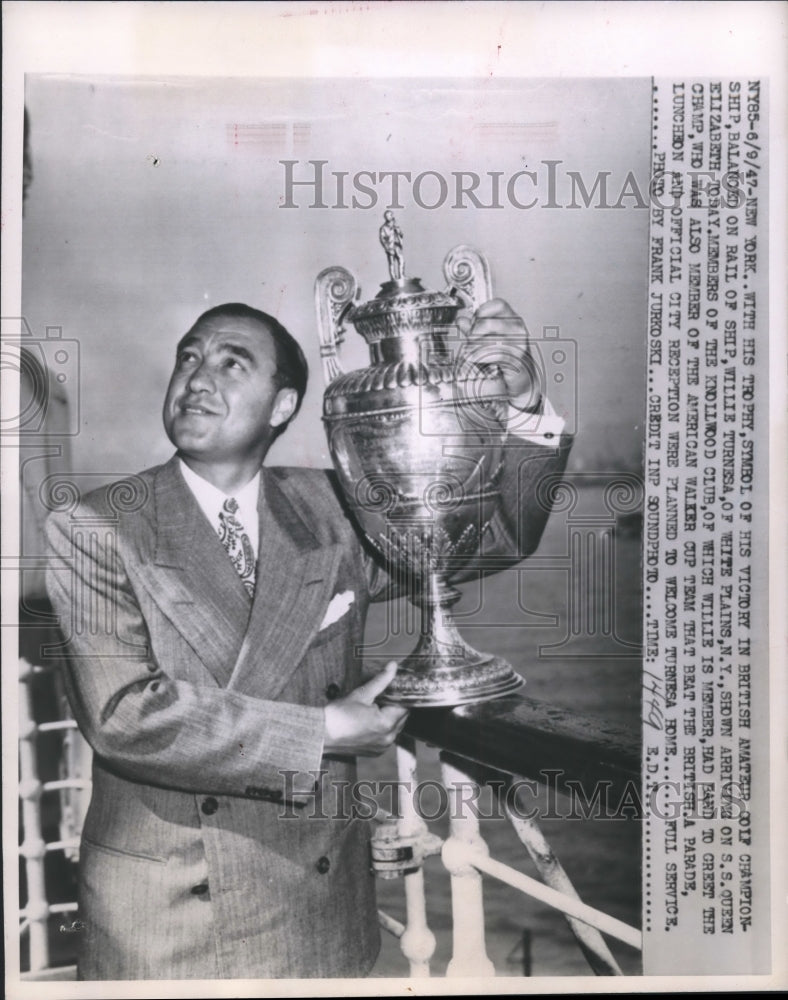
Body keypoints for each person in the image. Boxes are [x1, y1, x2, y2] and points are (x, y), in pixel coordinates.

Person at [45, 299, 571, 980]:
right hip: (167, 925)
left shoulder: (333, 510)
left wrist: (524, 403)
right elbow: (124, 718)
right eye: (190, 358)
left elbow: (487, 537)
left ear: (283, 404)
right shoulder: (95, 527)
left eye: (233, 364)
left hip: (319, 916)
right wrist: (321, 731)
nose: (198, 378)